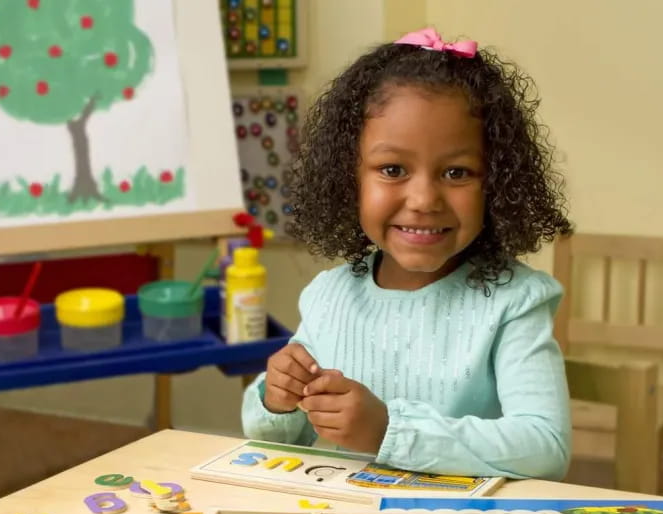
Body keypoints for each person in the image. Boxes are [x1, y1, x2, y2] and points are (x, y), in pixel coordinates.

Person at [241, 27, 573, 480]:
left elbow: (545, 447)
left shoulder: (515, 302)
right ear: (348, 178)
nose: (423, 199)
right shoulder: (329, 296)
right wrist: (276, 399)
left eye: (457, 172)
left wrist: (388, 432)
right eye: (392, 169)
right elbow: (280, 444)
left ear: (496, 182)